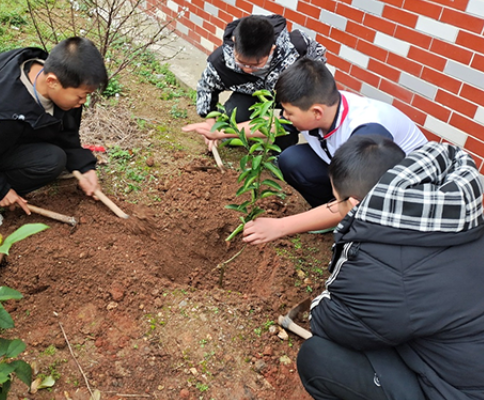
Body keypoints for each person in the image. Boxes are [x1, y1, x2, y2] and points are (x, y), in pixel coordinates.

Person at [296, 135, 484, 400]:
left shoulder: (385, 267)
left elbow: (330, 322)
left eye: (336, 201)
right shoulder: (458, 219)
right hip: (464, 362)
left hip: (456, 391)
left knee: (318, 358)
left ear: (353, 204)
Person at [242, 58, 427, 242]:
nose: (285, 116)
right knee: (292, 160)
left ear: (316, 113)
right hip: (354, 176)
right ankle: (330, 215)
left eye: (289, 113)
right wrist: (222, 130)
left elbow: (358, 197)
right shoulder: (327, 105)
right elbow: (274, 126)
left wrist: (280, 227)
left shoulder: (366, 136)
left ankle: (350, 223)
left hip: (399, 196)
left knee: (359, 212)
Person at [0, 37, 108, 225]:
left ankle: (20, 167)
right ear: (52, 81)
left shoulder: (61, 77)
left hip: (12, 137)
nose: (83, 102)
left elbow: (66, 132)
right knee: (51, 162)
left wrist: (84, 167)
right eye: (81, 95)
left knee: (57, 158)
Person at [182, 14, 326, 151]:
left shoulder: (296, 52)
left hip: (289, 95)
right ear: (234, 42)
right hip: (252, 93)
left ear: (271, 50)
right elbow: (206, 88)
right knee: (232, 129)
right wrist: (210, 121)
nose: (248, 70)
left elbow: (317, 75)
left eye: (255, 65)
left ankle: (281, 152)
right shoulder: (220, 61)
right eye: (241, 63)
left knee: (288, 127)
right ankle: (242, 128)